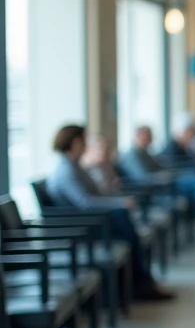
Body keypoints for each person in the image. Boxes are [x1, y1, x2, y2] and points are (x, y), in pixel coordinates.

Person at [46, 124, 174, 301]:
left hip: (89, 221)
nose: (86, 145)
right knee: (123, 217)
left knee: (124, 219)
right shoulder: (66, 170)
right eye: (84, 141)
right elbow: (84, 203)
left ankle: (141, 282)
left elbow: (95, 194)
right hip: (81, 227)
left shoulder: (75, 166)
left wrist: (117, 200)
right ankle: (142, 282)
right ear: (75, 142)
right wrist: (118, 202)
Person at [119, 125, 195, 234]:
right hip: (157, 190)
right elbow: (142, 178)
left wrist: (170, 173)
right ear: (138, 136)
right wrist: (164, 176)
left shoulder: (145, 152)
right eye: (147, 136)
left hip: (166, 183)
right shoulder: (131, 155)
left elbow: (162, 166)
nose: (150, 139)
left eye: (151, 136)